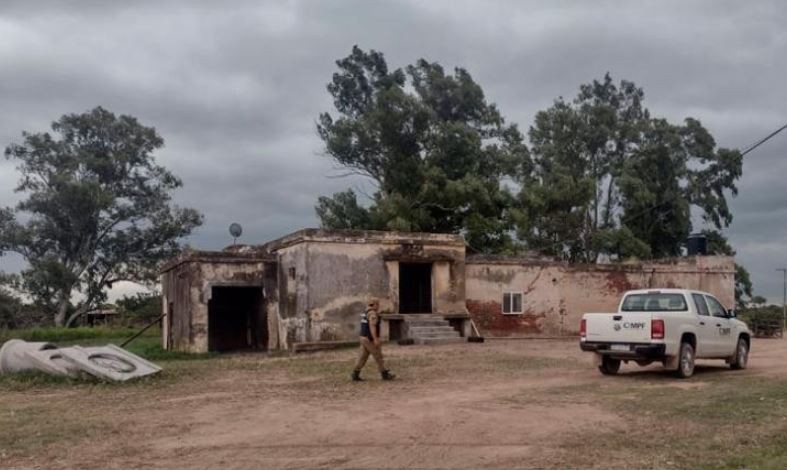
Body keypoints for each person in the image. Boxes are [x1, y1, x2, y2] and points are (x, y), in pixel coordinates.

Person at [351, 298, 395, 381]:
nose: (378, 306)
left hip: (363, 337)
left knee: (363, 356)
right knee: (378, 355)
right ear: (374, 305)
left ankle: (355, 373)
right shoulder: (372, 314)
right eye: (377, 304)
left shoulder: (366, 312)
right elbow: (372, 326)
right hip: (369, 338)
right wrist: (375, 339)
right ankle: (384, 374)